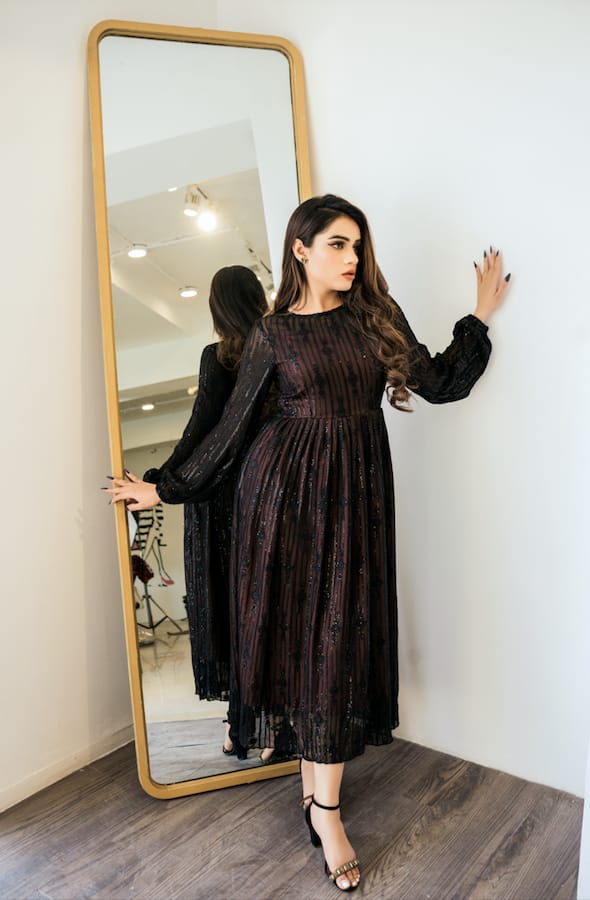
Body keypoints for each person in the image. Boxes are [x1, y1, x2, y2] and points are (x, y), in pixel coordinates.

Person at [108, 194, 510, 891]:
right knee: (306, 637)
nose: (352, 258)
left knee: (336, 639)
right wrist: (163, 489)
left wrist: (477, 315)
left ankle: (316, 794)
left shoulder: (374, 314)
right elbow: (231, 431)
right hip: (281, 498)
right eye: (336, 244)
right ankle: (326, 811)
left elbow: (440, 382)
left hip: (355, 497)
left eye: (357, 245)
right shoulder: (272, 334)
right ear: (300, 248)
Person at [142, 265, 269, 756]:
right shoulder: (278, 352)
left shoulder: (218, 358)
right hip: (267, 496)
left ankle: (240, 727)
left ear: (217, 308)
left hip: (218, 501)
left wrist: (159, 482)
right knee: (266, 611)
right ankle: (274, 730)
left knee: (230, 615)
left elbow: (201, 432)